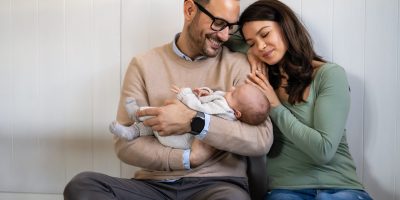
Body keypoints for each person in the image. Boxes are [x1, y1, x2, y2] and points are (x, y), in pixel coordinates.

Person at [63, 0, 273, 199]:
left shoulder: (239, 65)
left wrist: (195, 120)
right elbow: (125, 144)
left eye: (231, 27)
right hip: (153, 187)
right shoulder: (143, 64)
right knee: (82, 185)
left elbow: (261, 138)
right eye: (219, 23)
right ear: (190, 10)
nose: (226, 36)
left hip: (217, 185)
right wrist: (187, 159)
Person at [233, 0, 373, 199]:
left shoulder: (329, 75)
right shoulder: (264, 80)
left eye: (265, 34)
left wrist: (275, 106)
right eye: (252, 43)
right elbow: (225, 38)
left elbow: (323, 151)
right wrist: (250, 53)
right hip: (286, 190)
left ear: (285, 27)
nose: (261, 46)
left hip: (340, 187)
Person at [110, 84, 270, 149]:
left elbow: (199, 108)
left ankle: (137, 114)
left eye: (234, 92)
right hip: (177, 135)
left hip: (180, 138)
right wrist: (206, 92)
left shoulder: (224, 110)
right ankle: (131, 131)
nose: (232, 87)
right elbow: (214, 98)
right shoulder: (229, 106)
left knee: (158, 113)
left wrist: (185, 93)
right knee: (155, 123)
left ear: (237, 113)